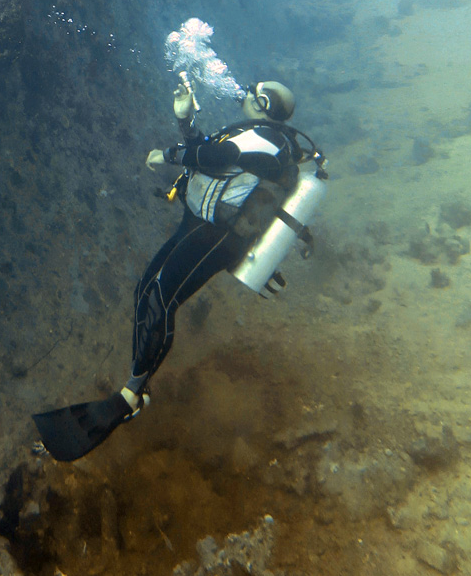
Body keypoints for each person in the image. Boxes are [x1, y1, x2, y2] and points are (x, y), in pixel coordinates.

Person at [33, 76, 326, 461]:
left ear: (264, 105)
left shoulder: (270, 142)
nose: (244, 91)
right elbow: (210, 150)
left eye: (253, 90)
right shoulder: (251, 132)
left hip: (217, 236)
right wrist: (185, 121)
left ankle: (131, 394)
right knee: (145, 289)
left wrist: (168, 154)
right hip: (196, 223)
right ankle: (139, 383)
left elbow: (214, 158)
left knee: (162, 297)